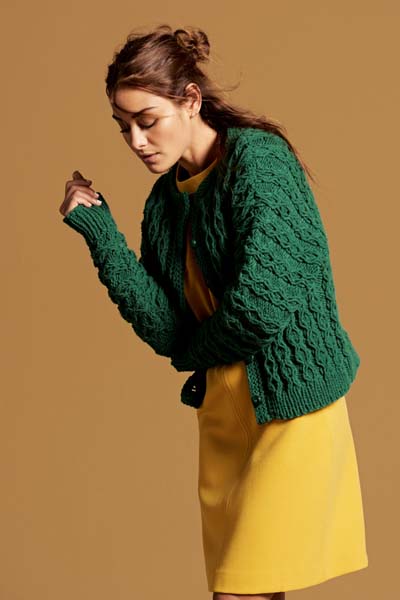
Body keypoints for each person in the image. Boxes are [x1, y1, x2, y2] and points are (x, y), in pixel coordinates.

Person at [59, 24, 368, 600]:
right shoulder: (163, 205)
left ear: (190, 100)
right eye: (123, 126)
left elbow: (260, 307)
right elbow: (164, 327)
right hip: (225, 421)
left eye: (147, 120)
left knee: (241, 593)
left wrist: (193, 352)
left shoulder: (259, 163)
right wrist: (100, 233)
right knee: (252, 589)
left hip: (290, 409)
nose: (136, 140)